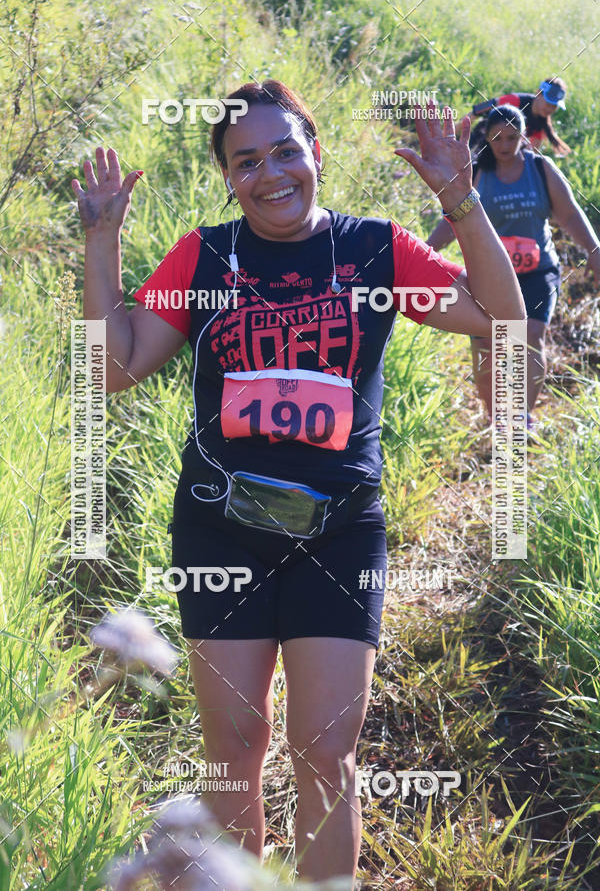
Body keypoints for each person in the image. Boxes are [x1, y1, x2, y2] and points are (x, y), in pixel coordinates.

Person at [71, 80, 525, 888]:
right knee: (234, 748)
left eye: (286, 149)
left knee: (324, 750)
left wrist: (461, 198)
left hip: (342, 530)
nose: (270, 171)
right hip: (221, 530)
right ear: (228, 178)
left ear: (316, 152)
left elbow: (501, 317)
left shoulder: (374, 251)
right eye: (246, 161)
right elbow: (114, 368)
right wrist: (101, 242)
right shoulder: (204, 258)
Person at [427, 104, 600, 430]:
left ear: (523, 136)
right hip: (491, 274)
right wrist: (423, 252)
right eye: (497, 138)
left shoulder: (541, 169)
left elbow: (571, 214)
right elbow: (452, 221)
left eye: (511, 137)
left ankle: (520, 416)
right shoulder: (477, 172)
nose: (505, 145)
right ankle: (496, 415)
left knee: (530, 337)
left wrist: (594, 250)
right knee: (486, 342)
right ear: (488, 139)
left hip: (538, 271)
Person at [466, 77, 572, 157]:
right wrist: (457, 128)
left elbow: (532, 153)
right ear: (538, 93)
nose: (550, 109)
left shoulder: (541, 123)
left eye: (554, 106)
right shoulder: (516, 100)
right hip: (481, 141)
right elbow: (480, 109)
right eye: (548, 103)